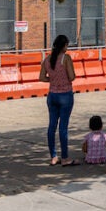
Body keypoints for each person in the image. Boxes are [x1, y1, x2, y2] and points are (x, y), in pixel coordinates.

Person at [39, 34, 78, 166]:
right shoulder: (65, 58)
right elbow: (72, 76)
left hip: (52, 95)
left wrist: (53, 79)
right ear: (64, 46)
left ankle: (54, 156)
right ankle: (65, 157)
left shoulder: (47, 59)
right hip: (65, 94)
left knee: (52, 126)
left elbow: (42, 77)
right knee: (63, 127)